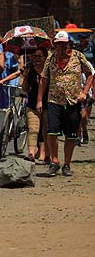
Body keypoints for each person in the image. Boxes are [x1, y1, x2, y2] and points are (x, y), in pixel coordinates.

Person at [37, 31, 93, 177]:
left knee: (71, 134)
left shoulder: (78, 56)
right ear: (55, 45)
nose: (61, 46)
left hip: (73, 101)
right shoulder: (50, 58)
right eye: (58, 44)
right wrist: (39, 100)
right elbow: (43, 79)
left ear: (69, 44)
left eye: (63, 43)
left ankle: (67, 164)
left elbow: (90, 74)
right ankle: (54, 161)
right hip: (54, 100)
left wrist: (84, 92)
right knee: (52, 131)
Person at [0, 47, 49, 162]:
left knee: (46, 130)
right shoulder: (29, 68)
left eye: (40, 56)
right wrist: (25, 76)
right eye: (35, 56)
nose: (37, 59)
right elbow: (25, 87)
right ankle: (31, 153)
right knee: (33, 129)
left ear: (45, 58)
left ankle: (45, 154)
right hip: (32, 104)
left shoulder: (49, 68)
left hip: (48, 104)